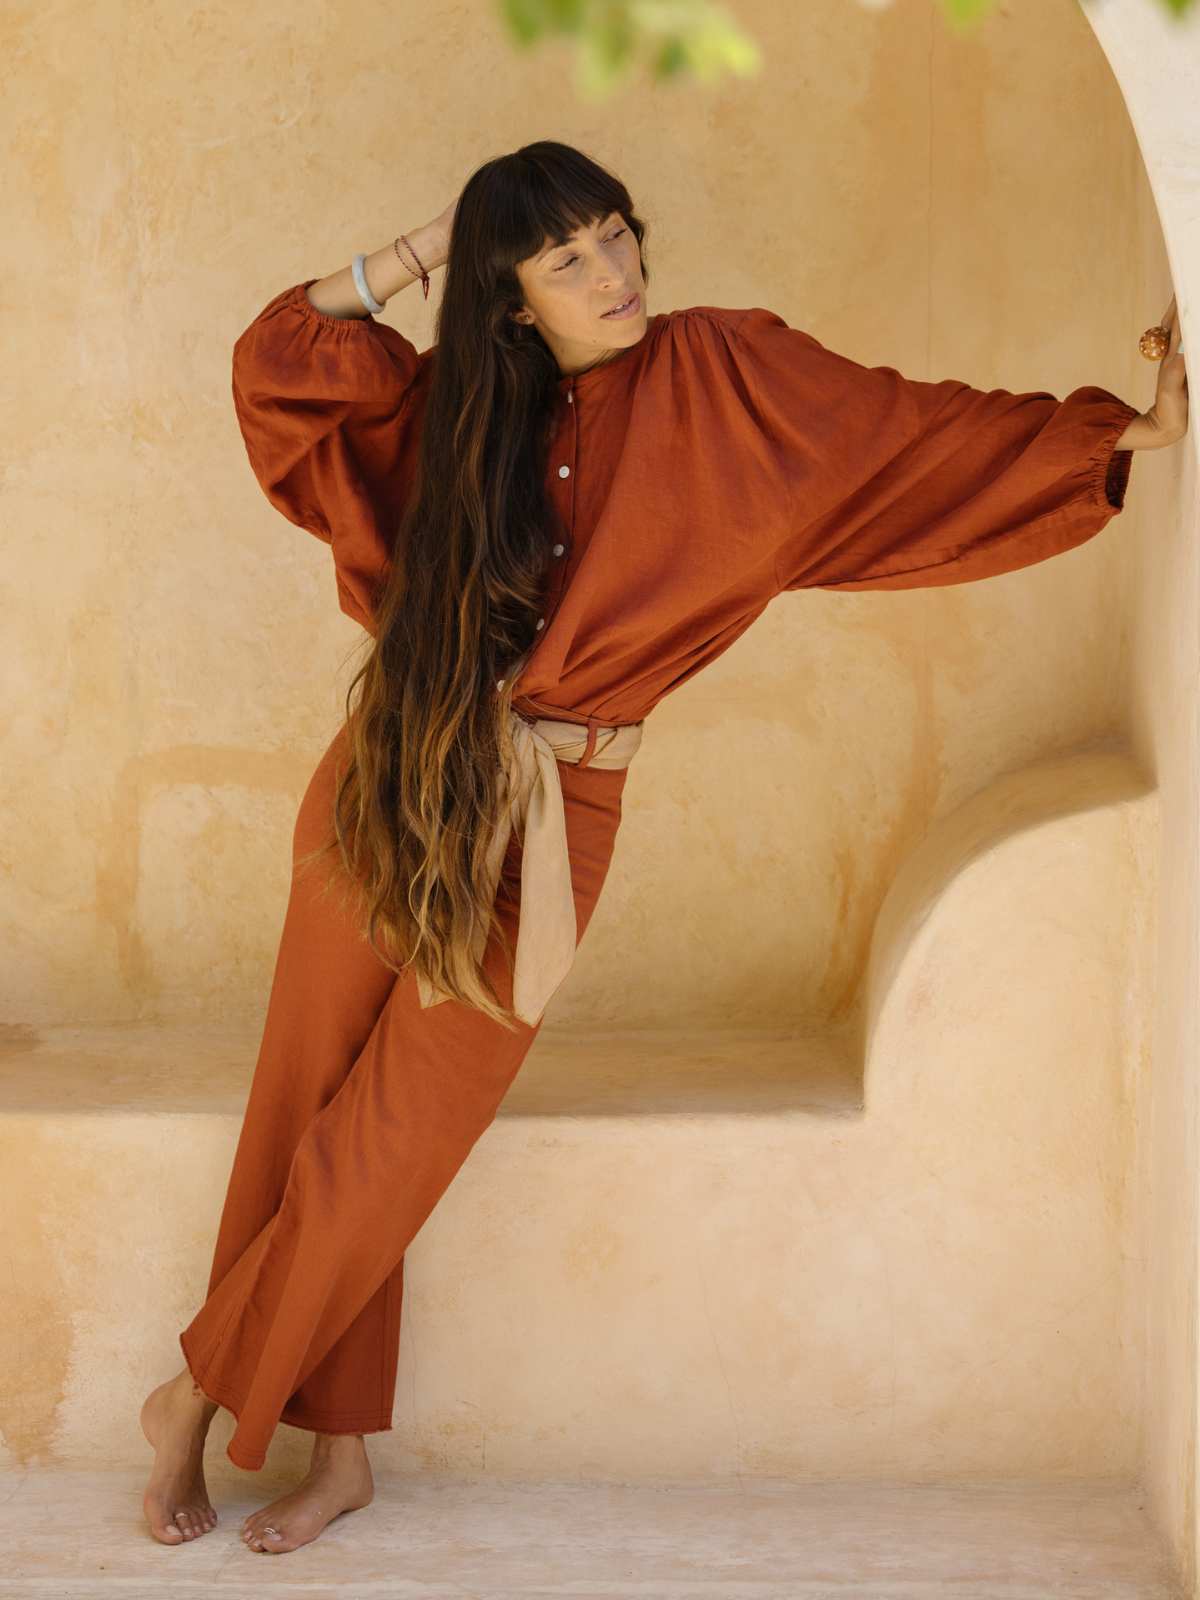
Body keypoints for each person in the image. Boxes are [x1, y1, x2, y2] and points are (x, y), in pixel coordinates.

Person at [138, 139, 1188, 1555]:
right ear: (508, 295)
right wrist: (418, 250)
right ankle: (335, 1455)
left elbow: (907, 434)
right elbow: (282, 363)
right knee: (307, 1099)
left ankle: (195, 1401)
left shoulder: (730, 375)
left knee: (392, 1140)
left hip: (557, 814)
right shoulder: (452, 406)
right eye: (566, 257)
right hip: (395, 771)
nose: (615, 273)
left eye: (621, 237)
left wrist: (1113, 431)